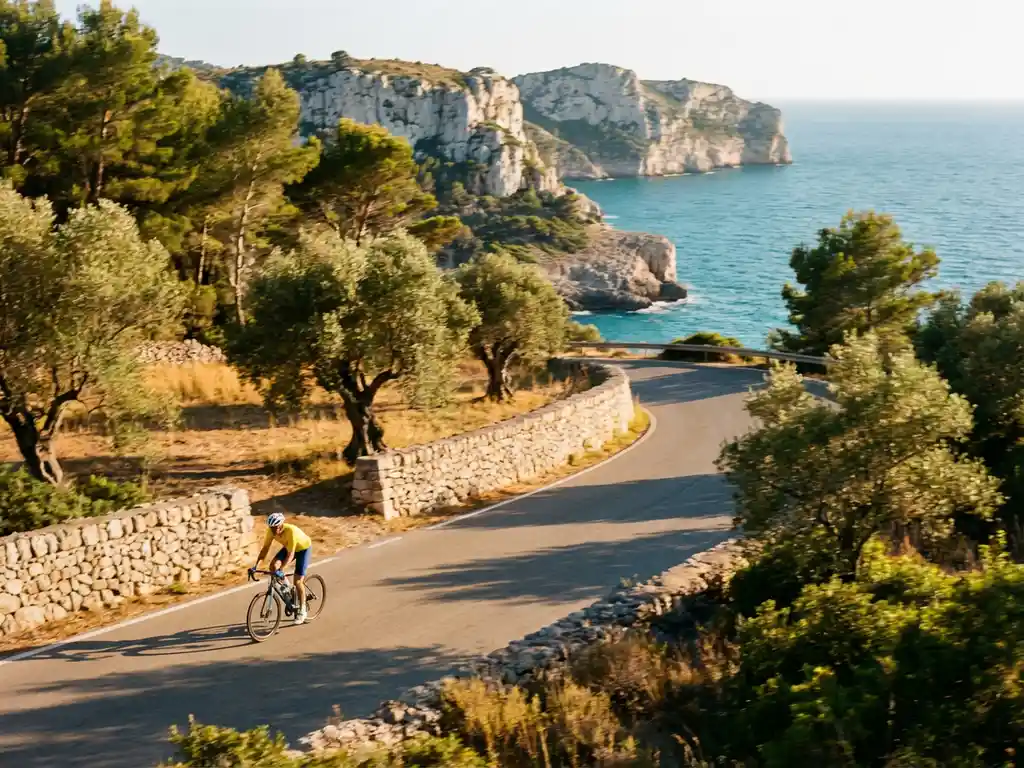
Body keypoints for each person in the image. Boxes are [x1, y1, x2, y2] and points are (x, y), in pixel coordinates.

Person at [250, 512, 313, 625]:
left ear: (281, 525)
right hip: (289, 547)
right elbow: (265, 549)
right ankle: (288, 588)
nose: (274, 531)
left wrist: (281, 569)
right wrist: (255, 566)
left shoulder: (291, 531)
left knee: (298, 581)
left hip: (303, 549)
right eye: (272, 528)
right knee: (273, 566)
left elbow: (290, 555)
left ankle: (302, 611)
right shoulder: (270, 532)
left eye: (276, 528)